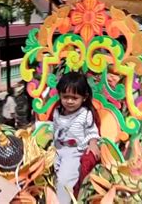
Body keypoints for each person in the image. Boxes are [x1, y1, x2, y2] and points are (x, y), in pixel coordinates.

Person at [53, 72, 100, 204]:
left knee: (64, 180)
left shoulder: (86, 114)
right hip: (57, 148)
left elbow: (92, 132)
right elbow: (54, 128)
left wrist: (93, 144)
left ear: (84, 97)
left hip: (74, 152)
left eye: (74, 98)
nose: (69, 101)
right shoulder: (57, 111)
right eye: (65, 97)